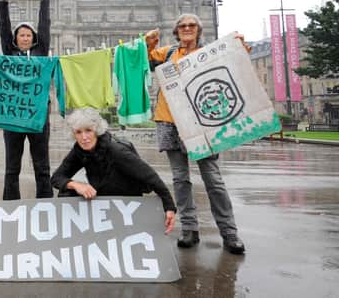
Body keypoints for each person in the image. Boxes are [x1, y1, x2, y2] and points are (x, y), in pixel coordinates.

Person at [145, 13, 247, 254]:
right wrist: (149, 42)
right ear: (176, 30)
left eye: (191, 25)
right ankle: (189, 229)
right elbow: (141, 60)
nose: (187, 28)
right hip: (169, 120)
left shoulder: (210, 52)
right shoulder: (168, 53)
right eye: (182, 26)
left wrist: (240, 46)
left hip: (202, 122)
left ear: (199, 30)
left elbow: (235, 62)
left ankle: (229, 233)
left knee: (213, 179)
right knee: (180, 179)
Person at [51, 108, 177, 234]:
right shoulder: (79, 150)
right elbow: (56, 178)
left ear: (97, 131)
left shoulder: (116, 150)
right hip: (102, 197)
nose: (84, 137)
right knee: (66, 192)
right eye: (79, 132)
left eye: (88, 131)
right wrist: (76, 184)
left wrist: (169, 207)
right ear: (74, 134)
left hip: (126, 200)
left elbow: (151, 177)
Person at [0, 0, 52, 200]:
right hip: (13, 116)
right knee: (12, 168)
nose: (25, 37)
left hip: (38, 116)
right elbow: (3, 24)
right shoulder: (8, 53)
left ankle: (46, 204)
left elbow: (45, 22)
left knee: (42, 166)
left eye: (29, 34)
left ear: (34, 38)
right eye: (21, 34)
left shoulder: (40, 52)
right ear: (15, 38)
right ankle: (10, 206)